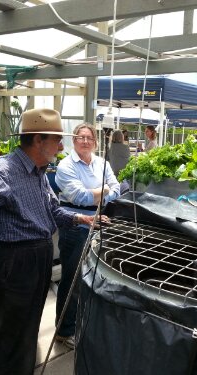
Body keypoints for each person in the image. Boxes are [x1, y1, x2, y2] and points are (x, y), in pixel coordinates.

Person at [0, 108, 100, 375]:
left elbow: (52, 210)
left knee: (28, 329)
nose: (62, 146)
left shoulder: (39, 172)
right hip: (15, 263)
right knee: (13, 333)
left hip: (36, 258)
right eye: (56, 139)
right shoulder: (7, 169)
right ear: (38, 140)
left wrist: (78, 219)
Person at [54, 123, 120, 348]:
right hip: (74, 227)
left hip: (99, 223)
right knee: (72, 280)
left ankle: (79, 323)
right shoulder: (66, 165)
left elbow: (117, 188)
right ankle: (64, 330)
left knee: (90, 279)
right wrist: (104, 192)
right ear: (74, 140)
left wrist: (100, 194)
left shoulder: (102, 163)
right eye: (80, 137)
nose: (85, 141)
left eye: (89, 138)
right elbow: (79, 197)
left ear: (95, 141)